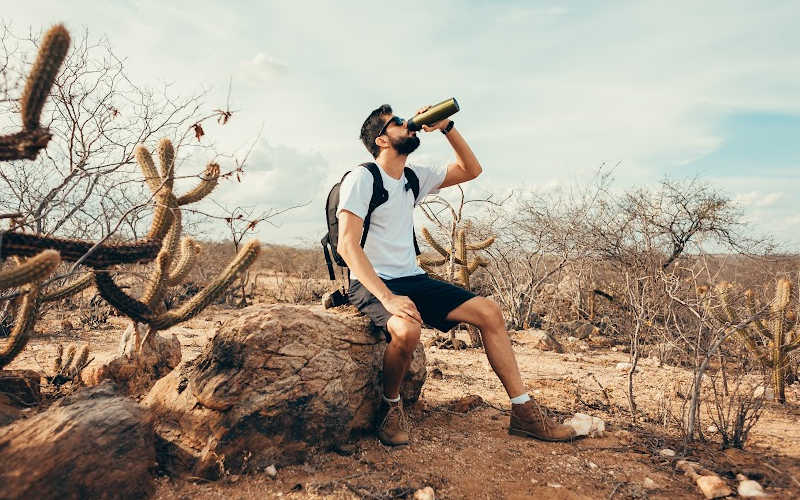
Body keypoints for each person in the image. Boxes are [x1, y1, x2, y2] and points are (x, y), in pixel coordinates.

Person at [336, 103, 575, 446]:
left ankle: (523, 412)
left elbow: (471, 169)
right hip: (371, 281)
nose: (408, 124)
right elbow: (347, 245)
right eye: (398, 122)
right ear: (382, 140)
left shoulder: (413, 177)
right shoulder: (363, 177)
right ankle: (391, 407)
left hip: (411, 278)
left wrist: (447, 128)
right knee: (406, 330)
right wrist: (387, 298)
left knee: (489, 311)